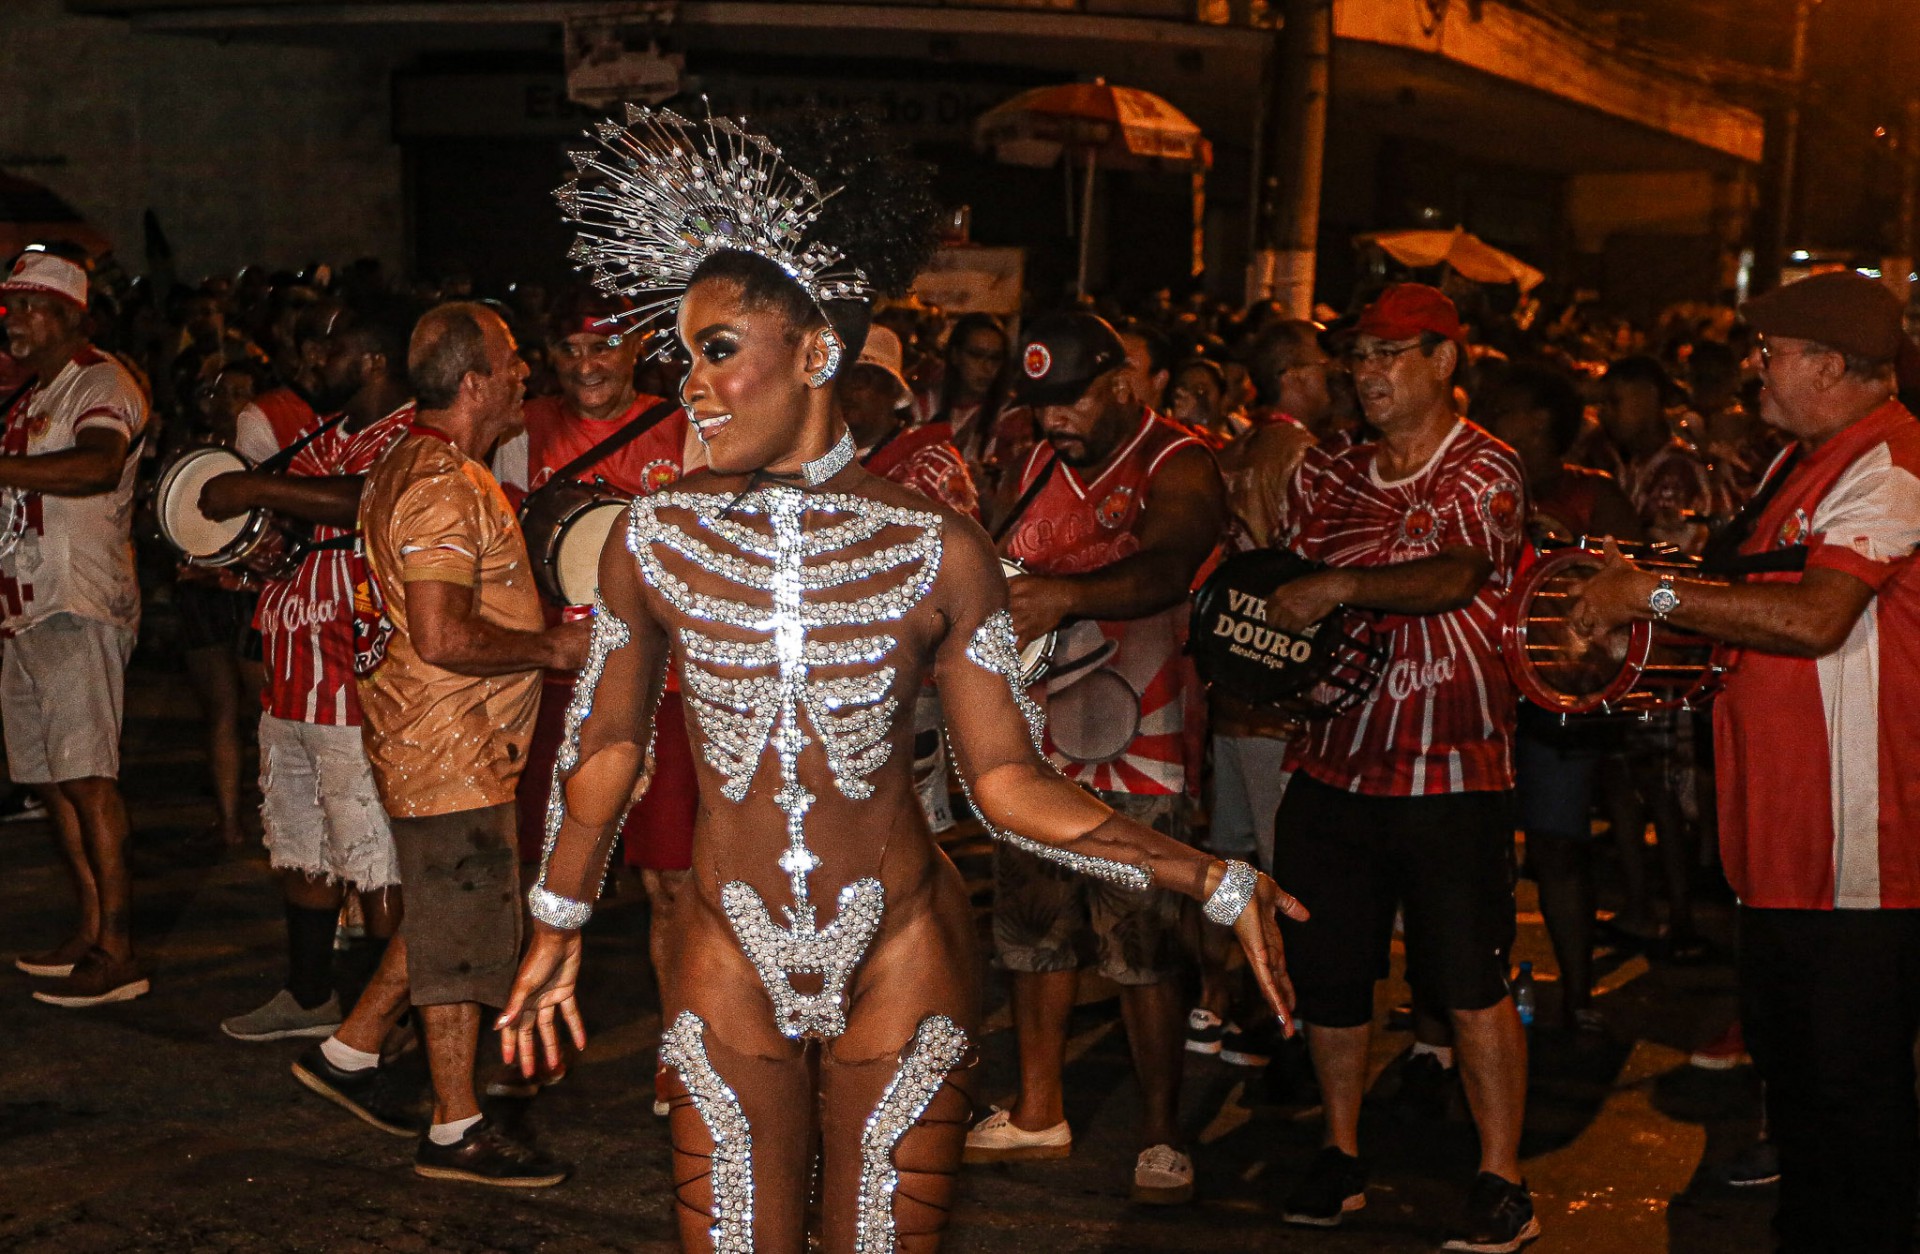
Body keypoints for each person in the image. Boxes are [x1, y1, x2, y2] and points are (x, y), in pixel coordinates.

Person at [496, 106, 1303, 1252]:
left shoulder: (939, 548)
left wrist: (1209, 877)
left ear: (816, 352)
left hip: (903, 953)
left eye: (717, 350)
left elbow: (1008, 785)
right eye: (685, 356)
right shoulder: (651, 539)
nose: (691, 386)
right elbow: (610, 744)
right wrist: (559, 916)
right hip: (725, 953)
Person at [1570, 271, 1920, 1254]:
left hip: (1858, 858)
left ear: (1828, 364)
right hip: (1784, 851)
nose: (1754, 371)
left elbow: (1816, 618)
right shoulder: (1800, 463)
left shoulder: (1890, 464)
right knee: (1803, 1097)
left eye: (1772, 352)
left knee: (1855, 1109)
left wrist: (1654, 600)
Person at [291, 302, 589, 1186]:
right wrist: (551, 647)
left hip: (445, 742)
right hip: (447, 745)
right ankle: (455, 1128)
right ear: (472, 384)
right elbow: (442, 634)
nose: (524, 376)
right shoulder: (440, 485)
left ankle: (348, 1052)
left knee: (441, 912)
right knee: (463, 939)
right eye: (509, 364)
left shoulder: (417, 466)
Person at [1265, 284, 1537, 1251]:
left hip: (1452, 771)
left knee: (1468, 978)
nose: (1369, 374)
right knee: (1332, 975)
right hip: (1333, 763)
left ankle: (1501, 1173)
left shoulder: (1485, 468)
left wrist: (1341, 584)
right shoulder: (1324, 475)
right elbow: (1281, 592)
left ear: (1445, 362)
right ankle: (1339, 1151)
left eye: (1390, 355)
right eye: (1359, 356)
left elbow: (1460, 571)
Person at [963, 312, 1228, 1205]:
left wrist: (1062, 597)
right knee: (1035, 933)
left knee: (1141, 946)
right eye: (1040, 404)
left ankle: (1161, 1133)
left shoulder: (1176, 461)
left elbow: (1169, 570)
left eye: (1069, 400)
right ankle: (1040, 1109)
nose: (1054, 421)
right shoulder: (1037, 462)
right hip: (1034, 744)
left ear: (1121, 383)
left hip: (1139, 749)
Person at [492, 287, 701, 1107]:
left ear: (639, 348)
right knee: (541, 870)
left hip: (663, 684)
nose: (588, 364)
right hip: (552, 683)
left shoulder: (681, 425)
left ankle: (681, 1054)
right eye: (572, 349)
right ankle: (531, 1034)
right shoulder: (523, 428)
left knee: (673, 880)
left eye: (606, 346)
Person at [199, 313, 415, 1043]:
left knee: (373, 853)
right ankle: (309, 992)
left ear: (378, 358)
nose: (315, 358)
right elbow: (297, 527)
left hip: (356, 677)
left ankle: (387, 1016)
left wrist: (261, 490)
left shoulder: (413, 435)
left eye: (336, 349)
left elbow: (369, 501)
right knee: (300, 839)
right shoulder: (318, 438)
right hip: (292, 670)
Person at [0, 253, 152, 1007]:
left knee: (89, 779)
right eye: (10, 309)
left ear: (70, 316)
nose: (15, 322)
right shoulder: (39, 390)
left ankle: (119, 948)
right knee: (57, 780)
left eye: (30, 308)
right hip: (28, 605)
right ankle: (91, 930)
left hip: (77, 601)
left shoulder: (101, 382)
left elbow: (96, 466)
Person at [1480, 362, 1641, 1031]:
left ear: (1541, 422)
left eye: (1506, 410)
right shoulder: (1478, 486)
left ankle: (1576, 995)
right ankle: (1469, 1000)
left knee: (1558, 848)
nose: (1491, 421)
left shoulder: (1593, 496)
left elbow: (1633, 596)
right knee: (1479, 855)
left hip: (1557, 699)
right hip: (1486, 692)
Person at [847, 325, 979, 519]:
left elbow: (967, 545)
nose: (846, 390)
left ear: (892, 388)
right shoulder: (815, 464)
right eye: (837, 380)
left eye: (861, 378)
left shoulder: (932, 465)